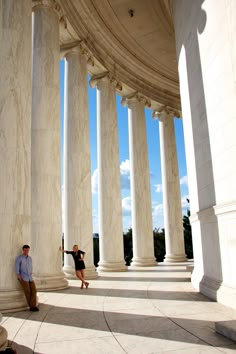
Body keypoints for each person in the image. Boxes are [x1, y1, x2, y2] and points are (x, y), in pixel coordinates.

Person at [15, 245, 39, 311]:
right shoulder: (19, 258)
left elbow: (31, 266)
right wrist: (18, 276)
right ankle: (32, 307)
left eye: (27, 250)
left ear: (29, 250)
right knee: (27, 292)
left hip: (30, 277)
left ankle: (32, 305)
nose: (26, 251)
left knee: (34, 290)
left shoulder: (30, 258)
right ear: (23, 250)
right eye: (25, 250)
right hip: (23, 277)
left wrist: (31, 272)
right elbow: (17, 267)